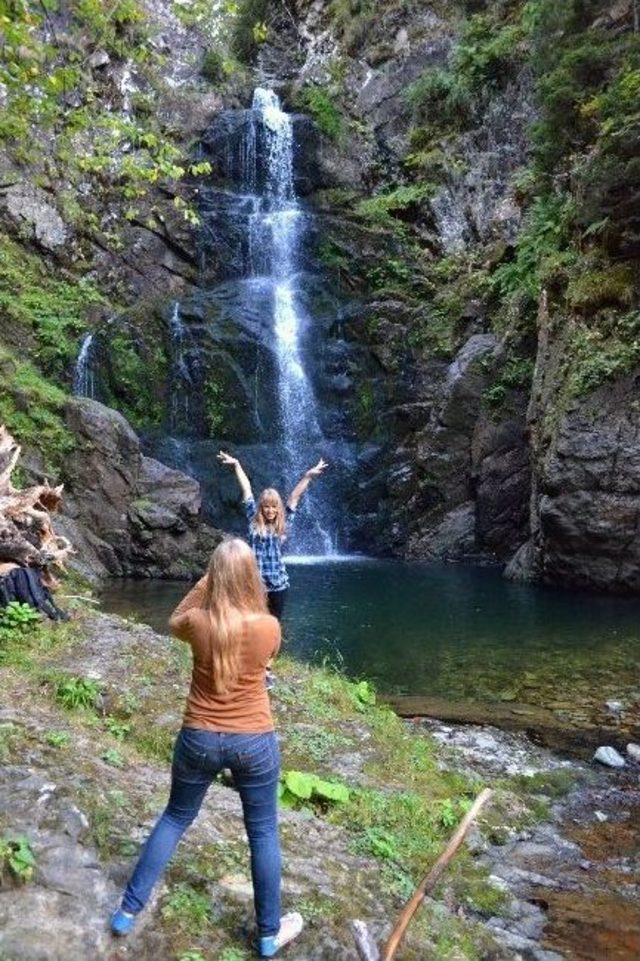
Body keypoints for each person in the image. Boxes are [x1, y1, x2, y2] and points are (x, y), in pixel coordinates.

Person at [109, 538, 304, 957]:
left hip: (198, 735)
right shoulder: (269, 626)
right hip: (254, 740)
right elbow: (269, 655)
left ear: (215, 577)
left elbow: (174, 618)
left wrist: (205, 582)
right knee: (264, 831)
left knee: (176, 817)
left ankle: (127, 911)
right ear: (252, 578)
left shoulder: (198, 623)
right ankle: (269, 935)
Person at [216, 452, 328, 622]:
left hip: (278, 586)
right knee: (254, 624)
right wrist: (237, 464)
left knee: (274, 625)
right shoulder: (253, 520)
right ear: (261, 508)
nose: (270, 510)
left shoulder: (282, 524)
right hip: (255, 585)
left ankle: (274, 649)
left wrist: (308, 476)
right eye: (266, 506)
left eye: (273, 507)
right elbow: (246, 489)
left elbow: (294, 497)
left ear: (278, 509)